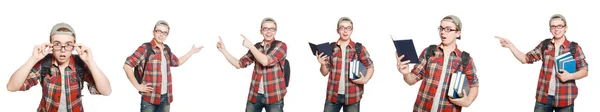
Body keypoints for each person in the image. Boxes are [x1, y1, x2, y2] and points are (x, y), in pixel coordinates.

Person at [6, 23, 112, 112]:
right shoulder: (44, 63)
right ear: (50, 46)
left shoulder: (80, 64)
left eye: (68, 44)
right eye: (57, 44)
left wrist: (90, 61)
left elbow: (106, 91)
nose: (63, 49)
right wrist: (33, 59)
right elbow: (11, 87)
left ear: (74, 46)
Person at [495, 14, 588, 112]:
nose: (556, 29)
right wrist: (510, 45)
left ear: (565, 28)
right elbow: (525, 59)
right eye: (553, 26)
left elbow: (585, 70)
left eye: (560, 26)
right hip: (543, 97)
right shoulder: (545, 45)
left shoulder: (574, 47)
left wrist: (569, 76)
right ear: (550, 29)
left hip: (565, 98)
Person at [397, 15, 479, 112]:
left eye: (448, 29)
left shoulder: (465, 59)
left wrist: (468, 101)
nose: (443, 32)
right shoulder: (429, 52)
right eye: (441, 28)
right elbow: (411, 80)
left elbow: (474, 84)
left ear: (458, 33)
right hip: (421, 109)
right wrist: (406, 73)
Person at [123, 20, 203, 112]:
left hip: (166, 98)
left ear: (167, 35)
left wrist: (191, 52)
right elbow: (127, 65)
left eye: (164, 33)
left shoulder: (166, 50)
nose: (161, 35)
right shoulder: (145, 48)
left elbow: (177, 62)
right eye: (159, 31)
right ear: (153, 32)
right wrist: (138, 86)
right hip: (149, 98)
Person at [216, 17, 287, 112]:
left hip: (274, 95)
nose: (269, 32)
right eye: (265, 29)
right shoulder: (256, 47)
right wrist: (223, 51)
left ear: (275, 31)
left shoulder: (281, 45)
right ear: (261, 31)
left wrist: (250, 46)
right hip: (255, 95)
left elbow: (265, 61)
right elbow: (238, 64)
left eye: (272, 29)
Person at [315, 17, 374, 112]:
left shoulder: (359, 48)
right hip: (332, 95)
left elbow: (370, 66)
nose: (345, 31)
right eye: (342, 28)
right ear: (337, 30)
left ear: (352, 30)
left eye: (348, 28)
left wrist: (365, 79)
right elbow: (324, 73)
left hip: (353, 96)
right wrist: (322, 64)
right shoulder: (330, 47)